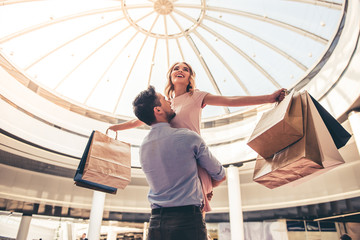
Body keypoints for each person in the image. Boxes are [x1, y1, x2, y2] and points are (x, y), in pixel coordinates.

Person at [108, 62, 286, 212]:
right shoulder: (164, 104)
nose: (180, 70)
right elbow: (137, 120)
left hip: (195, 158)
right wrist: (115, 128)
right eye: (176, 68)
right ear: (170, 76)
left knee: (196, 212)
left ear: (190, 77)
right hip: (174, 162)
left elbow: (231, 101)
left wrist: (269, 98)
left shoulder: (197, 96)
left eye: (185, 69)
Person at [132, 86, 226, 240]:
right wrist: (207, 186)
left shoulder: (143, 146)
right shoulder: (189, 137)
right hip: (188, 221)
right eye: (164, 99)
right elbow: (220, 174)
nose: (169, 101)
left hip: (156, 223)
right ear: (158, 110)